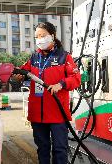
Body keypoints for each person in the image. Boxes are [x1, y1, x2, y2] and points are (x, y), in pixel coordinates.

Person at [13, 22, 81, 164]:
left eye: (43, 35)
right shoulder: (33, 58)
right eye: (37, 36)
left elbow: (76, 78)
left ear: (52, 36)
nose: (40, 39)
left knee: (60, 149)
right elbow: (22, 71)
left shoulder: (64, 57)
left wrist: (61, 84)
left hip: (57, 113)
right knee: (42, 149)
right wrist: (18, 75)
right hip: (37, 114)